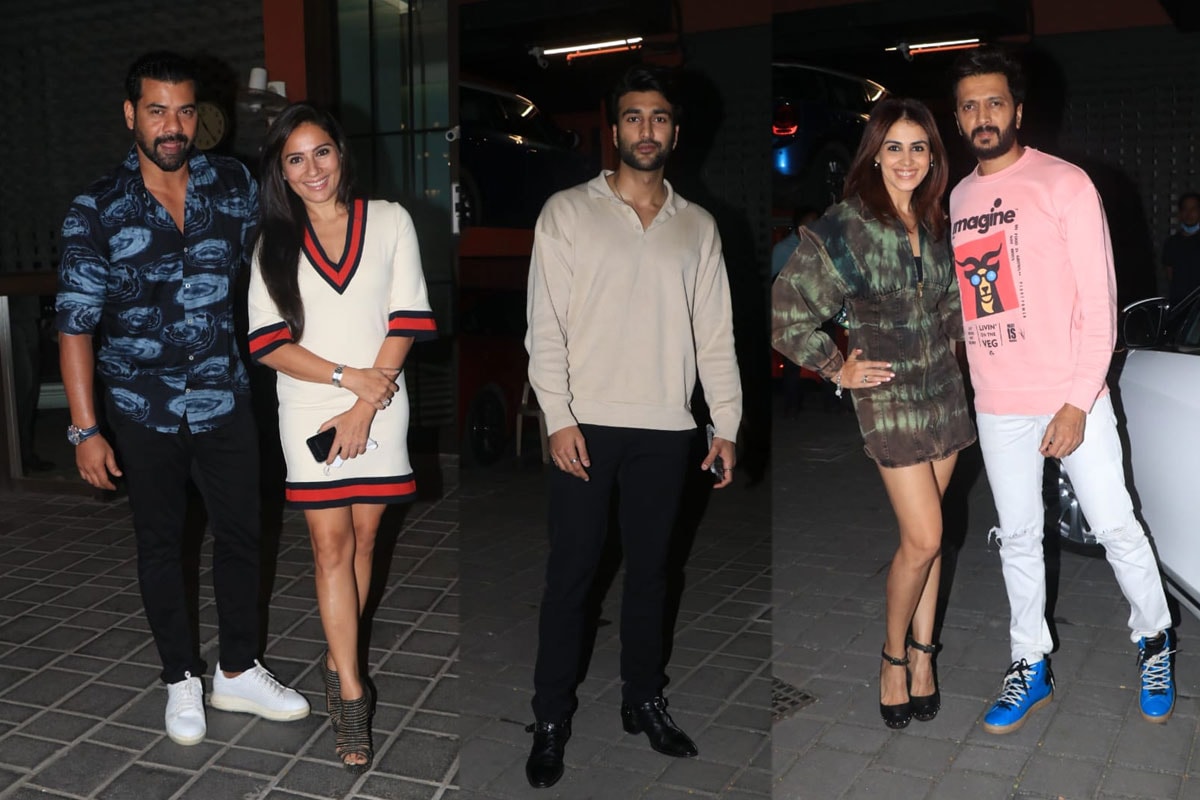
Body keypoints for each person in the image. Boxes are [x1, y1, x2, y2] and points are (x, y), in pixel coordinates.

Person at [55, 51, 309, 747]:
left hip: (225, 396)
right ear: (131, 114)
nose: (174, 126)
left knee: (242, 536)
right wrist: (85, 431)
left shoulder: (231, 184)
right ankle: (179, 679)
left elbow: (286, 255)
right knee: (160, 544)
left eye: (186, 111)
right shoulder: (97, 208)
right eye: (159, 111)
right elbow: (74, 324)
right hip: (142, 409)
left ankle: (236, 670)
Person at [522, 65, 742, 789]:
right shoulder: (566, 212)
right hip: (584, 426)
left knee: (652, 575)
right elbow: (544, 328)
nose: (647, 130)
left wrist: (726, 424)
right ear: (613, 130)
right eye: (633, 117)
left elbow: (716, 337)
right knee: (572, 577)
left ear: (676, 131)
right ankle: (551, 716)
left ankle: (642, 699)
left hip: (667, 430)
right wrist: (556, 417)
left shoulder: (699, 227)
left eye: (659, 118)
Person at [948, 46, 1175, 734]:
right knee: (1017, 537)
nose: (982, 116)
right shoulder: (959, 197)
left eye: (994, 102)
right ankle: (1030, 662)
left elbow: (1101, 301)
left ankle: (1154, 640)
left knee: (1114, 527)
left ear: (1018, 110)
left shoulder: (1064, 183)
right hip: (999, 402)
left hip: (1072, 394)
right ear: (958, 119)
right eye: (969, 106)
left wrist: (1078, 400)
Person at [246, 102, 438, 772]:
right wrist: (344, 380)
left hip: (381, 402)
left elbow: (408, 315)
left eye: (320, 152)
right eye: (294, 158)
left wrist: (364, 402)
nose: (311, 168)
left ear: (341, 153)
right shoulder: (273, 241)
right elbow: (267, 343)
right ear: (280, 170)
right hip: (307, 404)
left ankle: (338, 652)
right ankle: (352, 691)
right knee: (330, 547)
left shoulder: (389, 220)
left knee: (365, 540)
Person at [772, 97, 974, 730]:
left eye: (920, 147)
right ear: (874, 154)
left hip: (943, 390)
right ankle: (891, 659)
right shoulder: (846, 225)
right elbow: (784, 313)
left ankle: (923, 659)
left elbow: (949, 309)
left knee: (931, 539)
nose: (907, 160)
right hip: (887, 397)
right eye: (894, 147)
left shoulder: (937, 220)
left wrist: (980, 356)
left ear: (933, 157)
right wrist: (838, 369)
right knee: (926, 537)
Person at [1163, 191, 1200, 305]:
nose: (1189, 213)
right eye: (1185, 209)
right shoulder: (1172, 243)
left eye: (1193, 209)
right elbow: (1170, 274)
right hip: (1180, 304)